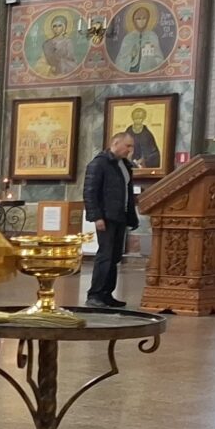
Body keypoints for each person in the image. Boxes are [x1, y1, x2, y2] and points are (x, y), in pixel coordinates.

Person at [84, 131, 138, 308]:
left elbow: (127, 193)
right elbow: (90, 192)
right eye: (127, 146)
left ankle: (107, 293)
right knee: (105, 255)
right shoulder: (99, 163)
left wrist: (131, 217)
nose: (130, 150)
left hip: (120, 215)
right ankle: (95, 295)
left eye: (132, 146)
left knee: (115, 256)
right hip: (106, 217)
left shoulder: (124, 165)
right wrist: (96, 217)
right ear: (115, 143)